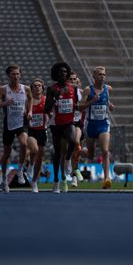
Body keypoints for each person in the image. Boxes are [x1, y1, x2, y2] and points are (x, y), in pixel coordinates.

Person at [0, 65, 33, 192]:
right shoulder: (3, 89)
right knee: (7, 153)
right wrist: (5, 103)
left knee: (24, 143)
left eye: (18, 74)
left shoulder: (26, 89)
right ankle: (4, 179)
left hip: (22, 122)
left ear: (20, 75)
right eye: (13, 74)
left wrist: (30, 111)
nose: (16, 76)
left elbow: (30, 100)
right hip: (8, 124)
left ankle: (19, 170)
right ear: (9, 75)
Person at [45, 62, 80, 193]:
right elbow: (46, 108)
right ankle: (55, 181)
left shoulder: (74, 88)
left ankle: (68, 159)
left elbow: (75, 104)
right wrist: (55, 98)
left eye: (65, 72)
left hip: (69, 122)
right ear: (56, 74)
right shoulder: (52, 88)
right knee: (57, 153)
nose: (63, 74)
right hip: (56, 124)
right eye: (60, 72)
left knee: (73, 141)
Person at [81, 66, 114, 189]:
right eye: (99, 74)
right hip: (91, 125)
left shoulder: (108, 89)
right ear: (94, 76)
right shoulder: (88, 90)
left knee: (105, 151)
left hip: (103, 124)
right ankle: (79, 152)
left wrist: (110, 106)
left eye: (104, 74)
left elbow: (108, 103)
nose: (102, 76)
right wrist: (92, 101)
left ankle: (107, 178)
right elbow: (80, 107)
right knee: (90, 156)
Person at [26, 79, 47, 193]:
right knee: (34, 149)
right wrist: (26, 115)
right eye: (35, 86)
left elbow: (51, 111)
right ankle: (31, 164)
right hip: (31, 131)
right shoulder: (28, 100)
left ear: (42, 88)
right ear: (31, 88)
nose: (37, 87)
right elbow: (23, 113)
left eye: (39, 85)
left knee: (40, 157)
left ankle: (34, 181)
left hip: (42, 131)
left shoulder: (45, 100)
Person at [67, 72, 85, 188]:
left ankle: (74, 176)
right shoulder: (64, 92)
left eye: (75, 79)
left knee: (77, 146)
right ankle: (67, 170)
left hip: (79, 122)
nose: (73, 81)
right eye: (71, 79)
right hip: (66, 122)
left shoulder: (82, 93)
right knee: (66, 150)